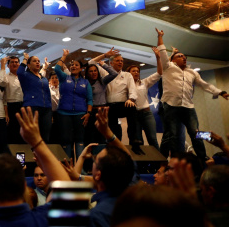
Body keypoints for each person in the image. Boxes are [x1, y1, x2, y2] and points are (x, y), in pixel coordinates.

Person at [155, 27, 228, 160]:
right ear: (173, 60)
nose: (183, 57)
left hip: (188, 107)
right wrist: (160, 36)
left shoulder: (192, 72)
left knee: (197, 133)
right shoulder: (168, 67)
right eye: (180, 56)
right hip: (170, 106)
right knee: (173, 135)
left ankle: (202, 158)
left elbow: (205, 85)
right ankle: (177, 160)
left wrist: (221, 92)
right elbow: (162, 51)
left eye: (184, 56)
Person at [89, 48, 138, 146]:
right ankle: (115, 146)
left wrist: (131, 99)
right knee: (115, 130)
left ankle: (134, 140)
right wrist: (105, 55)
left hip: (123, 104)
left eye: (121, 61)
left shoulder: (127, 75)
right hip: (109, 106)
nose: (120, 62)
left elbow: (132, 89)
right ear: (111, 63)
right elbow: (91, 62)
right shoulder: (105, 72)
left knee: (132, 108)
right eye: (118, 61)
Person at [55, 49, 93, 161]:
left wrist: (88, 114)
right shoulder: (64, 78)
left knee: (80, 140)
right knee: (66, 139)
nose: (73, 66)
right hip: (63, 113)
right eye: (72, 65)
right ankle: (67, 166)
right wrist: (64, 56)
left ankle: (80, 168)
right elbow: (57, 68)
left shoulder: (85, 83)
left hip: (80, 113)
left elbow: (90, 100)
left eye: (76, 65)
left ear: (81, 68)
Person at [126, 46, 162, 150]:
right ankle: (141, 165)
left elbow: (159, 73)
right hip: (134, 115)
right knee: (138, 141)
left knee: (152, 139)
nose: (136, 72)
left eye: (137, 71)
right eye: (133, 71)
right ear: (128, 74)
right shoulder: (125, 86)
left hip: (147, 114)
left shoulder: (144, 82)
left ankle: (159, 164)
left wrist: (158, 58)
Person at [17, 53, 52, 142]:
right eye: (34, 61)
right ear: (28, 65)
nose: (37, 63)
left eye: (38, 61)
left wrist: (50, 108)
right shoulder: (26, 75)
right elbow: (19, 72)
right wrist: (25, 58)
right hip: (32, 107)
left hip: (46, 109)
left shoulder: (43, 78)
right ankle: (33, 155)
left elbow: (47, 94)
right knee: (33, 135)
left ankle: (43, 155)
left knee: (45, 135)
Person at [83, 57, 118, 145]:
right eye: (91, 71)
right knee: (89, 137)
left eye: (95, 70)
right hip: (89, 112)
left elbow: (114, 74)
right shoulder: (84, 82)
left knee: (101, 137)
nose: (93, 73)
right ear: (87, 73)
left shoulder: (102, 81)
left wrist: (103, 65)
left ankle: (101, 157)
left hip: (101, 111)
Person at [0, 56, 24, 144]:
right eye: (12, 62)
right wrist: (2, 65)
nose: (14, 64)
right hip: (11, 106)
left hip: (24, 106)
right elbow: (1, 82)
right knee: (13, 133)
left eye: (16, 62)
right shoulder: (5, 76)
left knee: (24, 132)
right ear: (8, 65)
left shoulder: (23, 76)